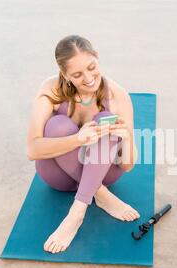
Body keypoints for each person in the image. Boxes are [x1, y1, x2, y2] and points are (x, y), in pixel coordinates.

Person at [26, 35, 140, 254]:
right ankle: (101, 195)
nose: (88, 79)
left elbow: (127, 165)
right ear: (65, 75)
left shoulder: (117, 95)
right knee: (58, 126)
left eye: (91, 67)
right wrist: (78, 139)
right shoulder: (50, 90)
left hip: (103, 171)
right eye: (77, 75)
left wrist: (125, 137)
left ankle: (76, 213)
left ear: (97, 57)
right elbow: (32, 150)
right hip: (57, 175)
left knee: (106, 121)